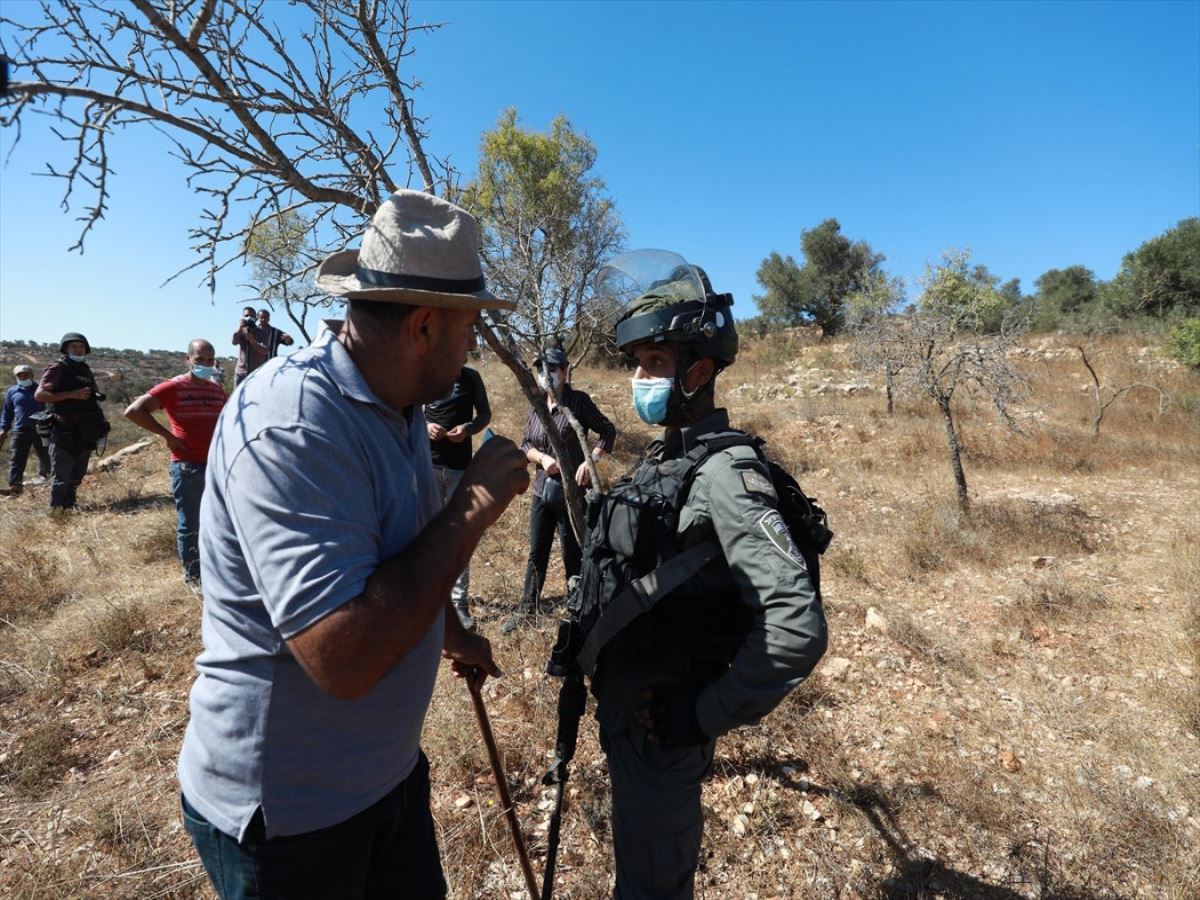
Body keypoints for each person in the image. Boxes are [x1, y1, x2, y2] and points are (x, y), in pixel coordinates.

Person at [178, 189, 529, 900]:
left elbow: (395, 555)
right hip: (292, 819)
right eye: (469, 330)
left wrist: (454, 634)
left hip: (384, 777)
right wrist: (474, 505)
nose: (472, 349)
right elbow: (343, 658)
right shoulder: (294, 424)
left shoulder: (398, 408)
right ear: (425, 327)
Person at [578, 251, 828, 899]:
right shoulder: (674, 459)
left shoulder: (726, 475)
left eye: (655, 363)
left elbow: (796, 626)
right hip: (634, 715)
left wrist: (704, 713)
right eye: (637, 364)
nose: (640, 378)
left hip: (664, 729)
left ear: (701, 369)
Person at [505, 346, 615, 634]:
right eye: (542, 369)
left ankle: (578, 612)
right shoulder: (538, 404)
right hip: (543, 490)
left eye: (552, 368)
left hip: (572, 495)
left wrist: (592, 462)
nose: (547, 375)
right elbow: (525, 444)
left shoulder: (578, 402)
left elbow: (607, 430)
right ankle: (526, 611)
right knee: (536, 552)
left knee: (573, 554)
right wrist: (542, 459)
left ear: (565, 371)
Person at [123, 339, 228, 585]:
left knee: (217, 520)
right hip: (188, 465)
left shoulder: (216, 390)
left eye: (209, 360)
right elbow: (134, 411)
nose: (204, 364)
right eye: (199, 360)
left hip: (216, 465)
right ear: (188, 359)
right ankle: (194, 577)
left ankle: (216, 569)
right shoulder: (173, 387)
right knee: (190, 521)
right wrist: (168, 437)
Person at [423, 364, 492, 630]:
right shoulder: (427, 371)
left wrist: (467, 428)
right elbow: (411, 411)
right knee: (428, 533)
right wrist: (427, 425)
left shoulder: (470, 377)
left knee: (458, 535)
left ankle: (459, 602)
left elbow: (484, 415)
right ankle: (432, 600)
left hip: (459, 468)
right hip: (427, 466)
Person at [35, 333, 109, 510]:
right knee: (62, 474)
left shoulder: (84, 368)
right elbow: (40, 395)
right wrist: (71, 394)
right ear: (65, 349)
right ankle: (58, 513)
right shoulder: (58, 368)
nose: (78, 349)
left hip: (86, 429)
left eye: (81, 346)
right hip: (63, 428)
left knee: (78, 473)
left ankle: (70, 505)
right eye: (74, 346)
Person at [0, 363, 52, 495]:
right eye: (20, 375)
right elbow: (7, 412)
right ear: (16, 376)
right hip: (20, 429)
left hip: (41, 428)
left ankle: (47, 479)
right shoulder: (12, 391)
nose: (23, 377)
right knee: (17, 457)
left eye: (26, 374)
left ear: (32, 375)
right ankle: (15, 486)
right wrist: (3, 429)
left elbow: (50, 408)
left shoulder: (40, 389)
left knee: (45, 454)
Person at [231, 306, 268, 385]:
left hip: (256, 373)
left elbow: (265, 350)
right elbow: (234, 342)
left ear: (256, 318)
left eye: (251, 316)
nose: (249, 318)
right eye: (246, 316)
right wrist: (239, 328)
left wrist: (252, 341)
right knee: (238, 396)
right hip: (241, 372)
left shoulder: (262, 333)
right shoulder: (241, 331)